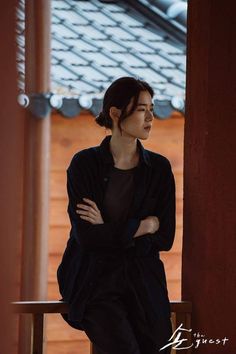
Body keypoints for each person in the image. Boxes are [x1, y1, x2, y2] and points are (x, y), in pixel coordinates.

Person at [57, 77, 176, 354]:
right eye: (141, 109)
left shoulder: (158, 169)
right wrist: (143, 226)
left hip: (142, 278)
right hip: (94, 279)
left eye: (152, 109)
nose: (150, 117)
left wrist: (109, 230)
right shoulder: (84, 164)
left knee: (159, 347)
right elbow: (87, 237)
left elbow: (165, 236)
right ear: (114, 112)